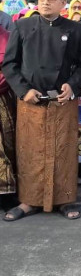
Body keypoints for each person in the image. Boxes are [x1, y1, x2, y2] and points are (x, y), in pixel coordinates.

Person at [2, 0, 81, 221]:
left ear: (63, 4)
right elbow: (10, 64)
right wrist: (24, 90)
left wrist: (72, 85)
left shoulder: (77, 30)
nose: (45, 2)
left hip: (62, 102)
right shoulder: (22, 26)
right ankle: (28, 201)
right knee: (30, 152)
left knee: (63, 151)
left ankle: (64, 200)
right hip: (30, 103)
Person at [0, 26, 17, 211]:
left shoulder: (8, 37)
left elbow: (12, 67)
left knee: (7, 142)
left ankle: (7, 192)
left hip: (3, 95)